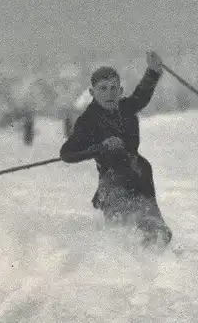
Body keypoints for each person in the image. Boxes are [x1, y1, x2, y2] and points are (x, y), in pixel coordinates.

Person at [60, 51, 172, 248]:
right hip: (112, 184)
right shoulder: (88, 120)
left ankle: (154, 234)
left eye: (113, 88)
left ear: (120, 91)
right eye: (102, 89)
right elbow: (67, 153)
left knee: (154, 230)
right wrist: (100, 147)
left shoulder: (125, 108)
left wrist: (153, 71)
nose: (109, 93)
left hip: (139, 176)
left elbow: (142, 94)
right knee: (121, 237)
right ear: (92, 93)